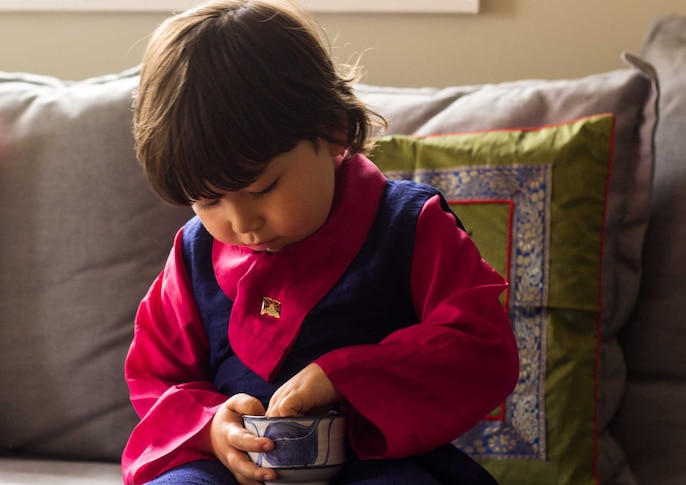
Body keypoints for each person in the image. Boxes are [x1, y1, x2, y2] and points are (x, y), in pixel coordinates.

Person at [122, 1, 520, 484]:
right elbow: (157, 378)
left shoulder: (410, 226)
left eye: (261, 188)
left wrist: (346, 377)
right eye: (206, 202)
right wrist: (212, 428)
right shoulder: (193, 254)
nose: (242, 222)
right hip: (234, 470)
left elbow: (480, 348)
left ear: (333, 130)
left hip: (376, 463)